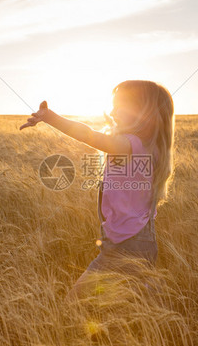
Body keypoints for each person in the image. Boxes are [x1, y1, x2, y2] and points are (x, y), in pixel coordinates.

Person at [20, 80, 175, 300]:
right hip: (137, 240)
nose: (112, 112)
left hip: (126, 244)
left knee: (73, 303)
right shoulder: (149, 147)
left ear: (140, 112)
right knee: (132, 307)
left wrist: (50, 117)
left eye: (119, 106)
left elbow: (88, 135)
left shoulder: (131, 145)